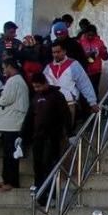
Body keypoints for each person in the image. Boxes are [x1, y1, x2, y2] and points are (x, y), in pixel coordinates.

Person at [25, 73, 71, 205]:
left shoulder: (57, 96)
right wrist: (22, 136)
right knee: (38, 167)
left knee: (49, 166)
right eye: (34, 87)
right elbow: (29, 118)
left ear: (45, 83)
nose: (37, 89)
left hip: (52, 137)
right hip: (38, 138)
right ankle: (40, 196)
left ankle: (51, 195)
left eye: (39, 86)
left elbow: (65, 115)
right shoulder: (35, 98)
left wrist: (69, 132)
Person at [0, 58, 30, 191]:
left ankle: (12, 181)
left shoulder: (14, 81)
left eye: (4, 68)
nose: (3, 71)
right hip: (11, 123)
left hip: (12, 124)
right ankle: (6, 179)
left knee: (11, 154)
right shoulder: (18, 80)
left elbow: (6, 99)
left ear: (9, 66)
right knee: (8, 154)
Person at [43, 42, 99, 128]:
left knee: (67, 131)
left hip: (69, 104)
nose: (55, 55)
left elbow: (84, 84)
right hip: (51, 105)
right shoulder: (48, 68)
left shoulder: (74, 65)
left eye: (58, 52)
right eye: (54, 52)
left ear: (64, 51)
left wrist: (92, 102)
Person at [79, 24, 108, 91]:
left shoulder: (99, 42)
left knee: (94, 89)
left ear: (95, 34)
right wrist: (86, 55)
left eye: (92, 35)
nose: (90, 37)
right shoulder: (81, 42)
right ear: (85, 34)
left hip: (96, 71)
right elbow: (78, 57)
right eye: (88, 35)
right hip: (84, 71)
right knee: (85, 90)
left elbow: (105, 58)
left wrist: (104, 52)